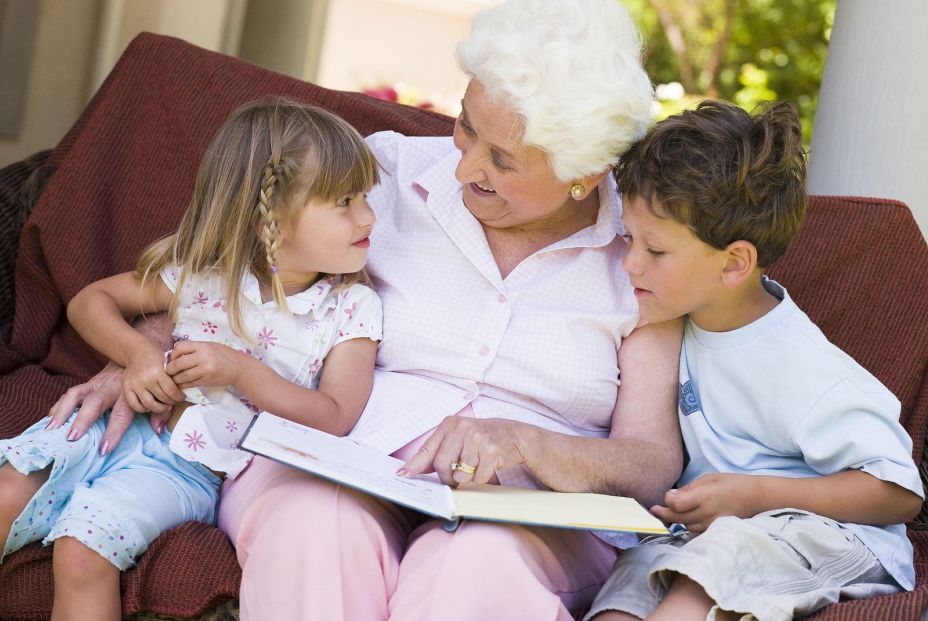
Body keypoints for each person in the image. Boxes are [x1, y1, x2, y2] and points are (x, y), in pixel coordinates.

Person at [44, 1, 684, 619]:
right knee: (313, 526)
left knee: (476, 569)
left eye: (502, 160)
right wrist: (149, 352)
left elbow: (652, 465)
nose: (464, 167)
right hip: (336, 454)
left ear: (586, 172)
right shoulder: (386, 175)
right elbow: (243, 268)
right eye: (466, 126)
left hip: (526, 509)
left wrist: (532, 443)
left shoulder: (642, 253)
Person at [0, 98, 383, 620]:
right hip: (112, 426)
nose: (368, 216)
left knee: (82, 551)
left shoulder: (350, 308)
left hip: (190, 468)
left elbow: (336, 416)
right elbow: (91, 301)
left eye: (365, 196)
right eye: (344, 201)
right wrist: (138, 354)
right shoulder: (205, 274)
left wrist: (243, 372)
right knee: (5, 494)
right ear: (268, 220)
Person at [584, 100, 924, 621]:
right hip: (709, 535)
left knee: (706, 575)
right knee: (629, 583)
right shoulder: (678, 320)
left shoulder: (798, 362)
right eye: (629, 238)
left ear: (734, 264)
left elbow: (898, 493)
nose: (628, 263)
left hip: (832, 536)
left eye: (655, 250)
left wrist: (756, 494)